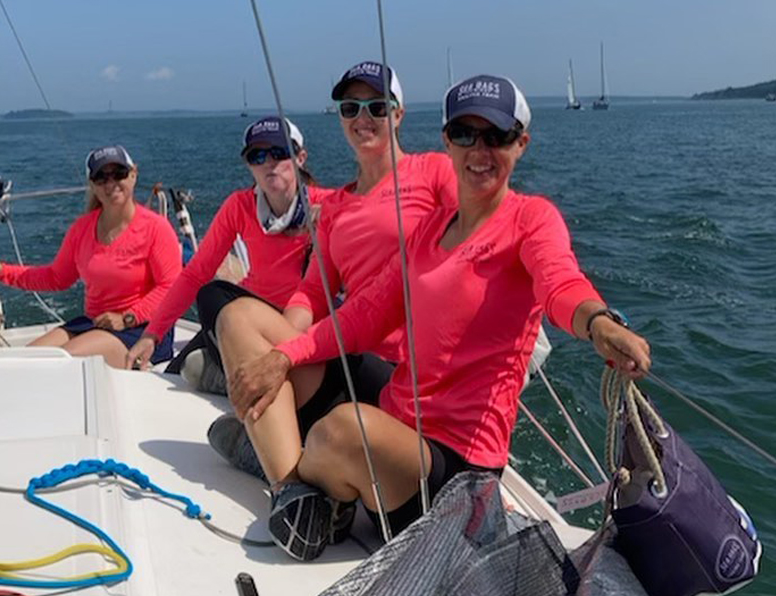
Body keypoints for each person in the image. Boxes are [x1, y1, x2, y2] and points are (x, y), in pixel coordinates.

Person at [229, 74, 652, 561]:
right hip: (399, 427)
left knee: (341, 429)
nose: (481, 150)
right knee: (253, 331)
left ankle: (305, 485)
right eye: (466, 135)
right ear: (447, 142)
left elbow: (559, 281)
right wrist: (284, 356)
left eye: (497, 136)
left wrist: (597, 321)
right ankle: (310, 491)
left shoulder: (530, 219)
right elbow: (364, 315)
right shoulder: (428, 232)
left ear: (522, 144)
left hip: (457, 473)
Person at [210, 61, 458, 560]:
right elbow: (312, 296)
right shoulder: (338, 208)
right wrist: (280, 352)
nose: (362, 117)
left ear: (400, 114)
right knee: (234, 316)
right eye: (350, 107)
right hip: (353, 359)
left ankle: (270, 447)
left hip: (408, 372)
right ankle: (293, 497)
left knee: (260, 353)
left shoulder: (434, 173)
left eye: (376, 106)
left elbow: (483, 236)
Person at [125, 116, 330, 377]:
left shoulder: (330, 206)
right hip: (249, 315)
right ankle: (230, 372)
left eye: (279, 153)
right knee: (177, 368)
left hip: (300, 324)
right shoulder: (240, 206)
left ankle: (227, 374)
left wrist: (336, 222)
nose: (268, 163)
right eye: (257, 156)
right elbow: (196, 273)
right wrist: (152, 334)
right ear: (249, 165)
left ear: (300, 157)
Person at [0, 145, 182, 369]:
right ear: (92, 185)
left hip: (143, 329)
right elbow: (56, 277)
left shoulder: (156, 229)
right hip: (96, 324)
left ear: (133, 175)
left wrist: (126, 318)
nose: (110, 183)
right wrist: (3, 271)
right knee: (24, 362)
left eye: (118, 174)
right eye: (101, 177)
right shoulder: (82, 229)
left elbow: (171, 288)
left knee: (59, 364)